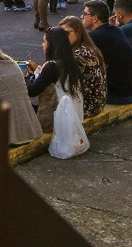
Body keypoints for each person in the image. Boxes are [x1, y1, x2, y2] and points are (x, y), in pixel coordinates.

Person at [24, 27, 87, 157]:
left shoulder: (52, 66)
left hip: (60, 120)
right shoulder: (72, 61)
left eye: (44, 41)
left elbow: (32, 91)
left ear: (52, 44)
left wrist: (24, 76)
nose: (42, 45)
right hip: (76, 116)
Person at [81, 0, 132, 106]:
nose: (82, 16)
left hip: (120, 95)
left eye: (84, 14)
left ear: (94, 18)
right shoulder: (116, 30)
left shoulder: (94, 37)